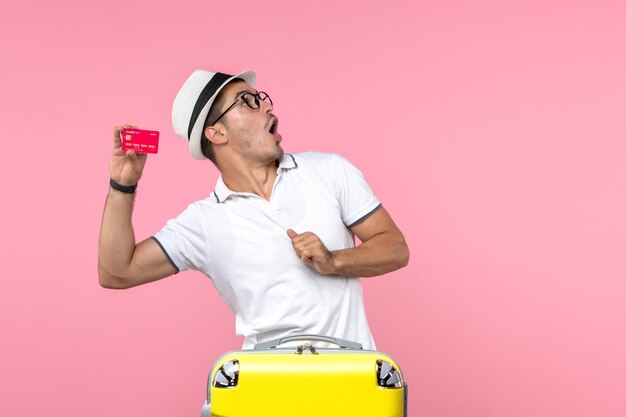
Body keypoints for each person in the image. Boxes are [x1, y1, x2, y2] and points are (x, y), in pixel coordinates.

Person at [98, 69, 409, 350]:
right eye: (248, 102)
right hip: (265, 391)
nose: (268, 107)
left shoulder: (329, 170)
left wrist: (334, 260)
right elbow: (116, 272)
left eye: (262, 99)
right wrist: (122, 185)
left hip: (351, 387)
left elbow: (395, 248)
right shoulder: (204, 221)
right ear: (217, 133)